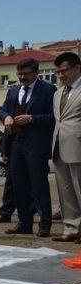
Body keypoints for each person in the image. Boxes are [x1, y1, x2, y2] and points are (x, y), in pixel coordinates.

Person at [0, 58, 56, 237]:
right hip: (16, 145)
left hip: (36, 146)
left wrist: (32, 118)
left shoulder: (48, 90)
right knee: (19, 186)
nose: (22, 77)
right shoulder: (13, 91)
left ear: (36, 73)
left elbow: (53, 117)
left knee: (39, 185)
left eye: (26, 74)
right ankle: (24, 222)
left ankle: (45, 223)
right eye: (20, 74)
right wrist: (6, 117)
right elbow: (3, 110)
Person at [51, 52, 81, 243]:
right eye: (58, 72)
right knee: (65, 191)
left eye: (64, 71)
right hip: (59, 146)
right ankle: (71, 228)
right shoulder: (57, 93)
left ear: (78, 68)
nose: (61, 76)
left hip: (78, 145)